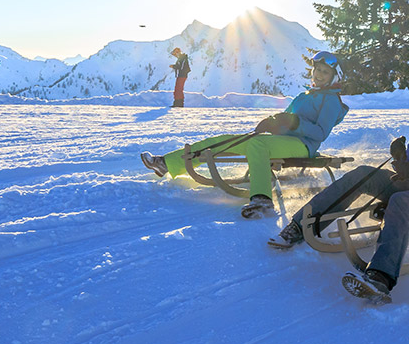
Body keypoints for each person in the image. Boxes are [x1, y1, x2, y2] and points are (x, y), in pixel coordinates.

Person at [268, 65, 409, 305]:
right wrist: (402, 158)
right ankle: (302, 224)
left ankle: (380, 277)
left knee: (401, 202)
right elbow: (408, 167)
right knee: (363, 174)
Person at [140, 51, 349, 218]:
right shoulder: (304, 96)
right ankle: (167, 163)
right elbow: (287, 117)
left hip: (304, 146)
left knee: (258, 146)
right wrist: (274, 122)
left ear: (334, 77)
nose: (319, 75)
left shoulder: (331, 100)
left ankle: (262, 199)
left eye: (325, 72)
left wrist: (295, 122)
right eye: (317, 70)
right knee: (226, 140)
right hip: (284, 141)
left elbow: (321, 133)